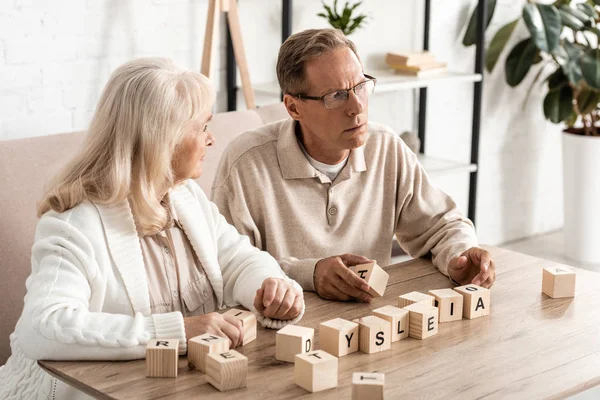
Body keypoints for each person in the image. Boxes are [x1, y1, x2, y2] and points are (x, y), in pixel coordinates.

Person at [0, 58, 304, 400]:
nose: (211, 139)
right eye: (202, 127)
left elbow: (237, 257)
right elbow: (44, 327)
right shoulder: (74, 223)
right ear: (162, 140)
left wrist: (269, 287)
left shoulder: (184, 195)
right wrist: (179, 331)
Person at [212, 29, 496, 304]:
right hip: (280, 333)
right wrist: (309, 274)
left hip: (371, 323)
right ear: (293, 107)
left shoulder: (386, 147)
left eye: (360, 86)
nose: (357, 107)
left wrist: (461, 253)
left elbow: (441, 225)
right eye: (335, 96)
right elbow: (227, 268)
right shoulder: (244, 164)